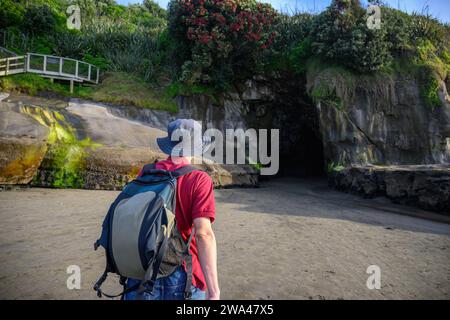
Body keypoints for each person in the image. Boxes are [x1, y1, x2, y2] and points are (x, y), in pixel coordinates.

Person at [124, 119, 220, 300]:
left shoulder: (147, 172)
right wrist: (214, 291)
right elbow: (203, 234)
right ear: (196, 146)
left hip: (141, 270)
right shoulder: (199, 179)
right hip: (181, 273)